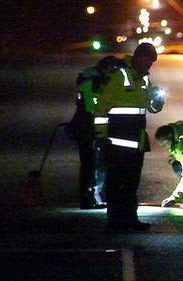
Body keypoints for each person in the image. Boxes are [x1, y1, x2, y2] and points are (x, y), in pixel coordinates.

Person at [94, 43, 165, 232]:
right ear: (137, 57)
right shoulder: (120, 76)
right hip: (117, 141)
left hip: (137, 142)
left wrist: (158, 100)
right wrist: (101, 136)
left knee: (131, 184)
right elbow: (101, 107)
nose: (149, 64)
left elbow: (151, 108)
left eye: (152, 61)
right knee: (117, 183)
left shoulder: (144, 80)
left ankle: (130, 219)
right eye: (147, 59)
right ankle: (115, 221)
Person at [65, 55, 120, 209]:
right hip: (87, 128)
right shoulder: (93, 82)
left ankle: (91, 197)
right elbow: (92, 109)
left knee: (92, 164)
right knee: (90, 164)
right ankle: (88, 199)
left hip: (85, 127)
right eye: (113, 70)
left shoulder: (92, 79)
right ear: (106, 68)